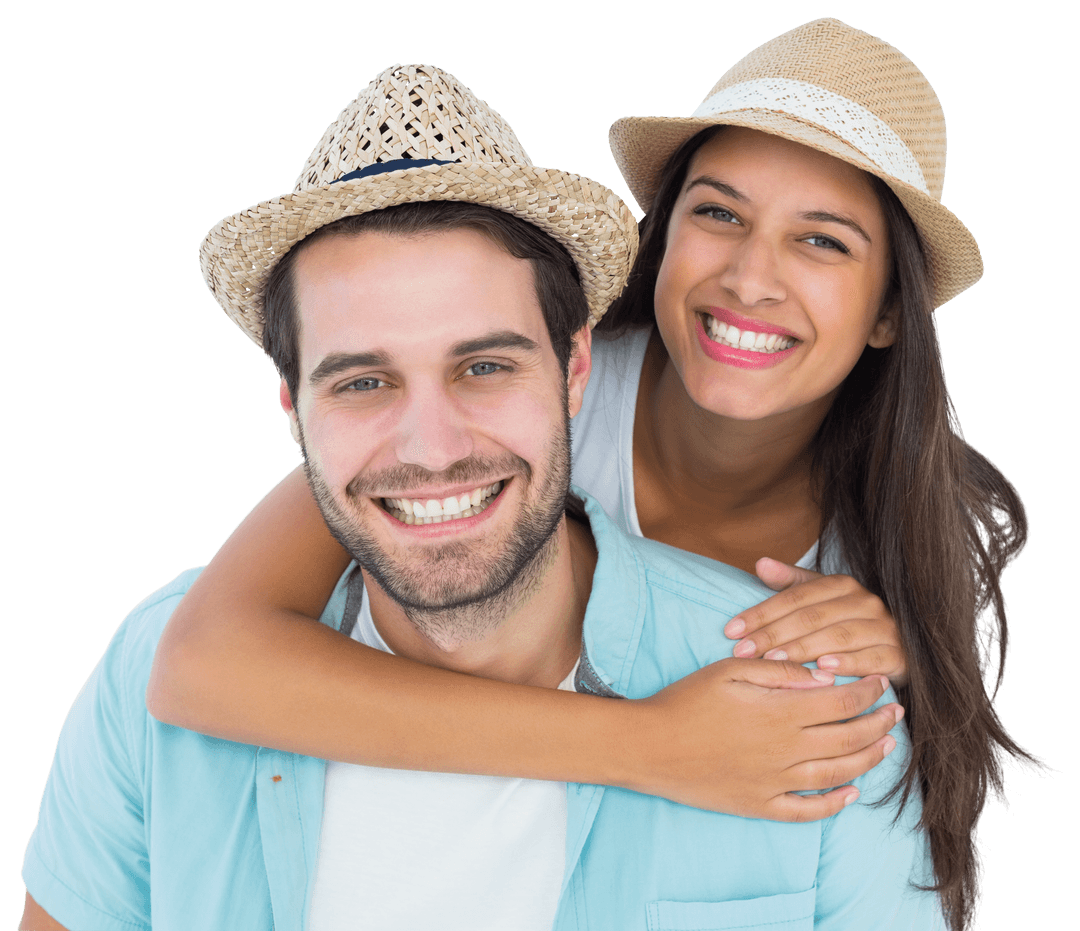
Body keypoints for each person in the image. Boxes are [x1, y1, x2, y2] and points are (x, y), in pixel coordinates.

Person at [140, 18, 1050, 931]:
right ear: (662, 233)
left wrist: (892, 670)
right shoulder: (507, 391)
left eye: (822, 241)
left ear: (890, 308)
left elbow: (886, 839)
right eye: (719, 213)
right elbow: (202, 663)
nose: (750, 278)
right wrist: (653, 746)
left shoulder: (904, 531)